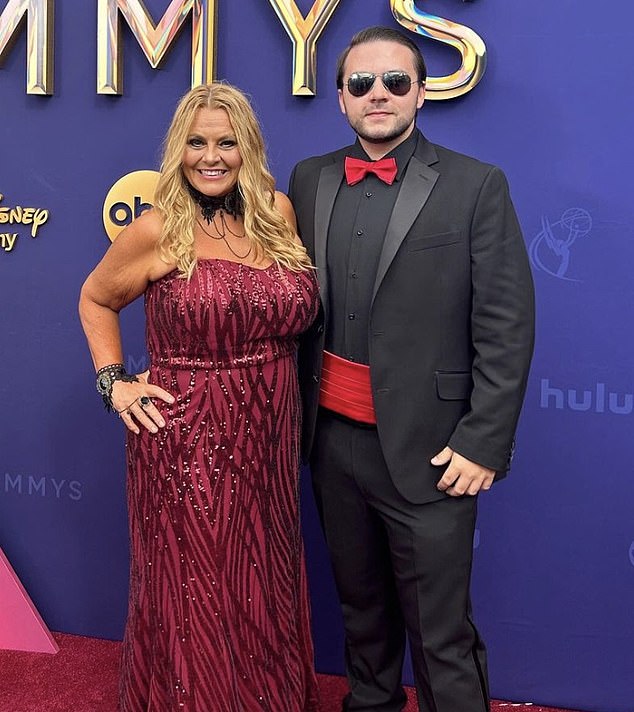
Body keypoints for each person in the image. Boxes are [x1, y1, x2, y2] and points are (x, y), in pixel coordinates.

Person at [288, 26, 535, 712]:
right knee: (360, 612)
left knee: (440, 632)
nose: (379, 94)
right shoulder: (307, 179)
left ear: (422, 93)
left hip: (432, 449)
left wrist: (484, 441)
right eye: (361, 83)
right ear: (341, 98)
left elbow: (506, 325)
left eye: (395, 82)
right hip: (330, 443)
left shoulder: (476, 185)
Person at [79, 82, 320, 712]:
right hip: (188, 437)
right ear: (177, 150)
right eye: (196, 142)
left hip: (271, 431)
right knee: (198, 585)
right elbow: (96, 299)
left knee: (262, 573)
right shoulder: (157, 227)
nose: (211, 157)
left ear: (249, 148)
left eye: (226, 142)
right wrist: (114, 383)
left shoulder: (277, 212)